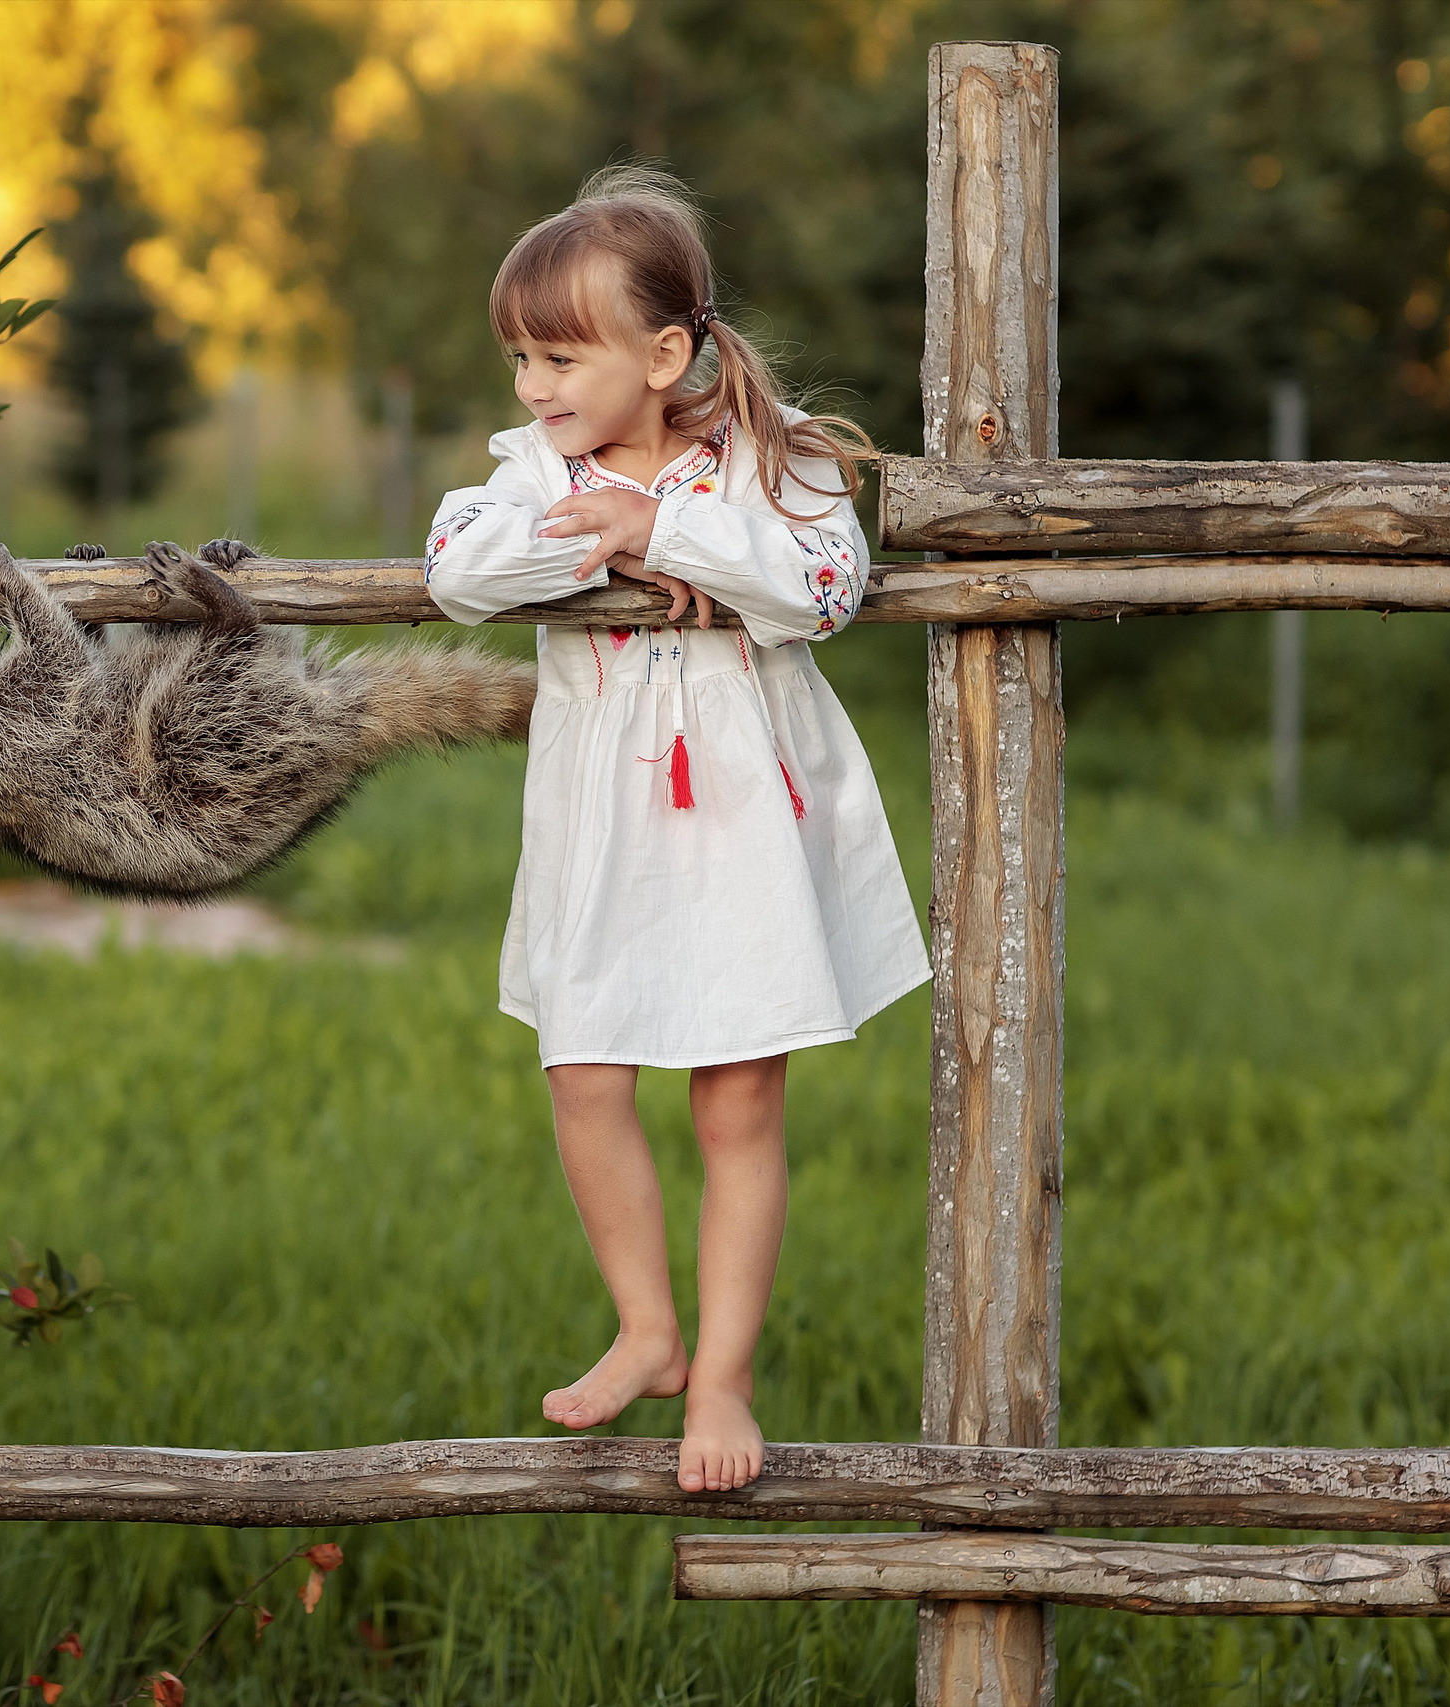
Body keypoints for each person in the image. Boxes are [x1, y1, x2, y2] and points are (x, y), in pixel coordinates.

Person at [423, 167, 928, 1493]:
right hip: (600, 820)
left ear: (663, 353)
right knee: (583, 1070)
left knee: (739, 1097)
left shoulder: (776, 455)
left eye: (560, 355)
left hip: (746, 820)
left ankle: (722, 1377)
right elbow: (460, 573)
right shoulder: (533, 469)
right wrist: (594, 543)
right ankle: (647, 1327)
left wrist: (667, 530)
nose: (533, 386)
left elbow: (819, 591)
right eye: (521, 356)